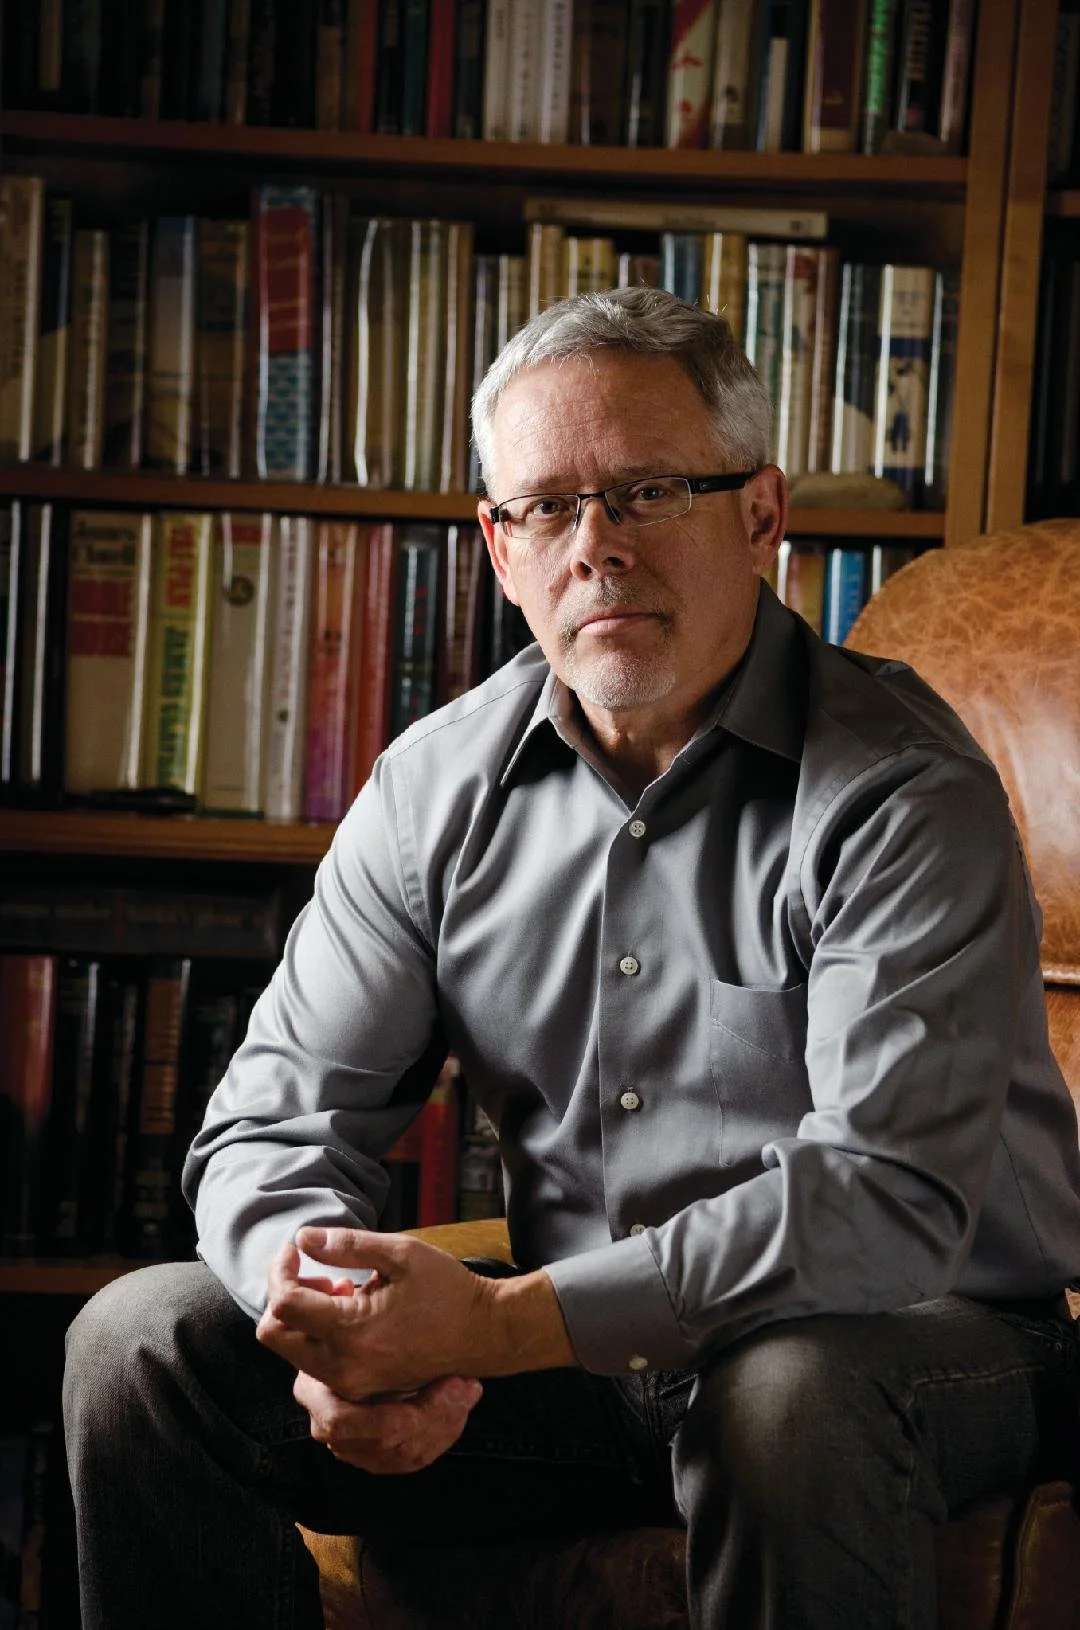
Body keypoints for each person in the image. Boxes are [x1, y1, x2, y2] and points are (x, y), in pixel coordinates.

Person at [64, 287, 1080, 1630]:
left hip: (926, 1338)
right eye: (546, 505)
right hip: (579, 1364)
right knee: (140, 1344)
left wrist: (496, 1329)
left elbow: (881, 1201)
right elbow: (273, 1116)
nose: (594, 546)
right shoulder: (437, 788)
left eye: (650, 491)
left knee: (785, 1393)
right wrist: (327, 1323)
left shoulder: (897, 787)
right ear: (497, 544)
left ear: (762, 513)